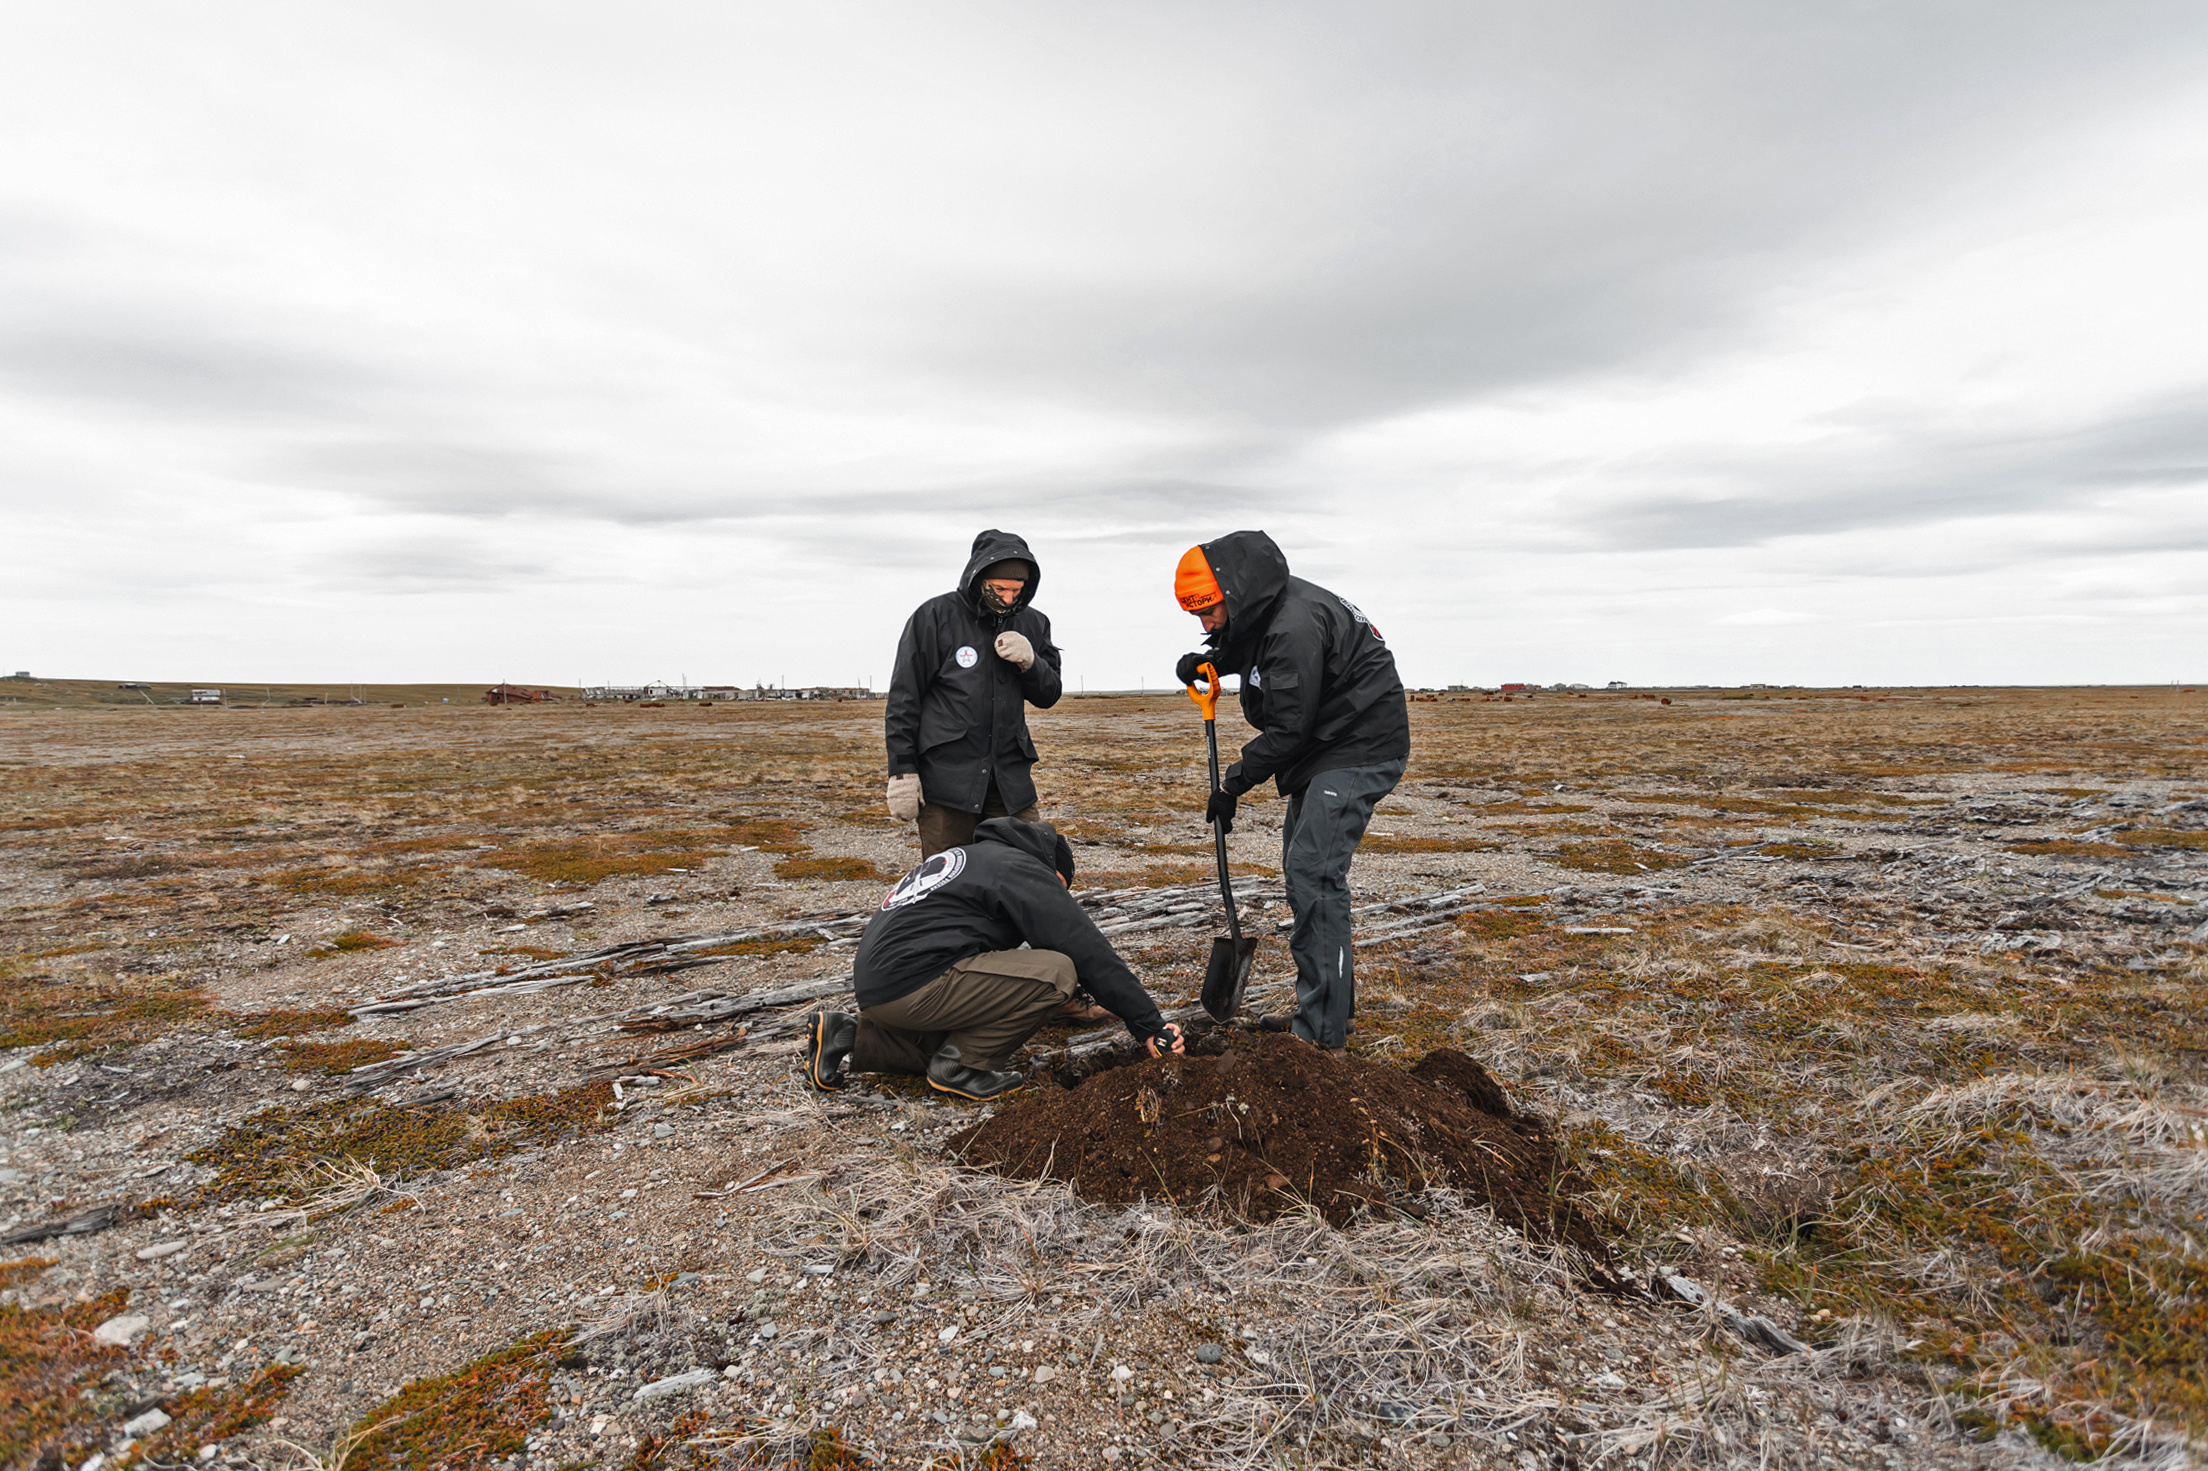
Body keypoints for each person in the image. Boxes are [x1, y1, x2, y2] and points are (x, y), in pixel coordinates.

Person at [1170, 530, 1409, 1056]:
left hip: (1357, 746)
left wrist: (1232, 783)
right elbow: (1252, 646)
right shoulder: (1270, 608)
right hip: (1328, 748)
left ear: (1234, 593)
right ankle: (1329, 1011)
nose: (1207, 624)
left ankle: (1322, 1036)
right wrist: (1209, 659)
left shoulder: (1293, 624)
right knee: (1305, 869)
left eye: (1209, 612)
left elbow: (1288, 730)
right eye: (1198, 616)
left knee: (1313, 873)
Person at [803, 818, 1184, 1100]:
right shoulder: (1022, 868)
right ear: (1051, 871)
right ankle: (959, 1068)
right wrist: (1148, 1025)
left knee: (972, 1012)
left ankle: (846, 1033)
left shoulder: (974, 859)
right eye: (1059, 889)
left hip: (880, 989)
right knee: (1058, 972)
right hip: (916, 984)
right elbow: (1085, 947)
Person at [884, 530, 1063, 861]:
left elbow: (1049, 694)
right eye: (1000, 589)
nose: (1009, 598)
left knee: (1026, 870)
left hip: (1011, 785)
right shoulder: (934, 618)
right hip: (946, 784)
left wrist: (1031, 661)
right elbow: (904, 701)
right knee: (948, 882)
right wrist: (902, 773)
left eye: (1017, 590)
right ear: (979, 578)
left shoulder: (1034, 624)